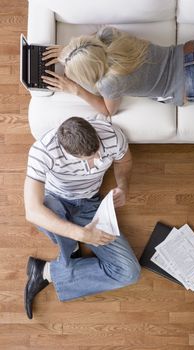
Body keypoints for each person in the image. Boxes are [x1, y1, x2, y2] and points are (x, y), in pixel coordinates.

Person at [24, 116, 141, 319]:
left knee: (129, 272)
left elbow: (125, 160)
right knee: (44, 210)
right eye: (87, 159)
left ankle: (47, 271)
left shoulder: (112, 135)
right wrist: (82, 234)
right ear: (65, 151)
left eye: (98, 154)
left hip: (90, 204)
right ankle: (72, 241)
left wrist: (123, 186)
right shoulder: (42, 152)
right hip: (55, 201)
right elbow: (32, 210)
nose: (96, 163)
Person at [41, 26, 194, 116]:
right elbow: (96, 41)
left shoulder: (108, 83)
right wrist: (72, 51)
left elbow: (108, 111)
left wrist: (75, 89)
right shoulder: (109, 35)